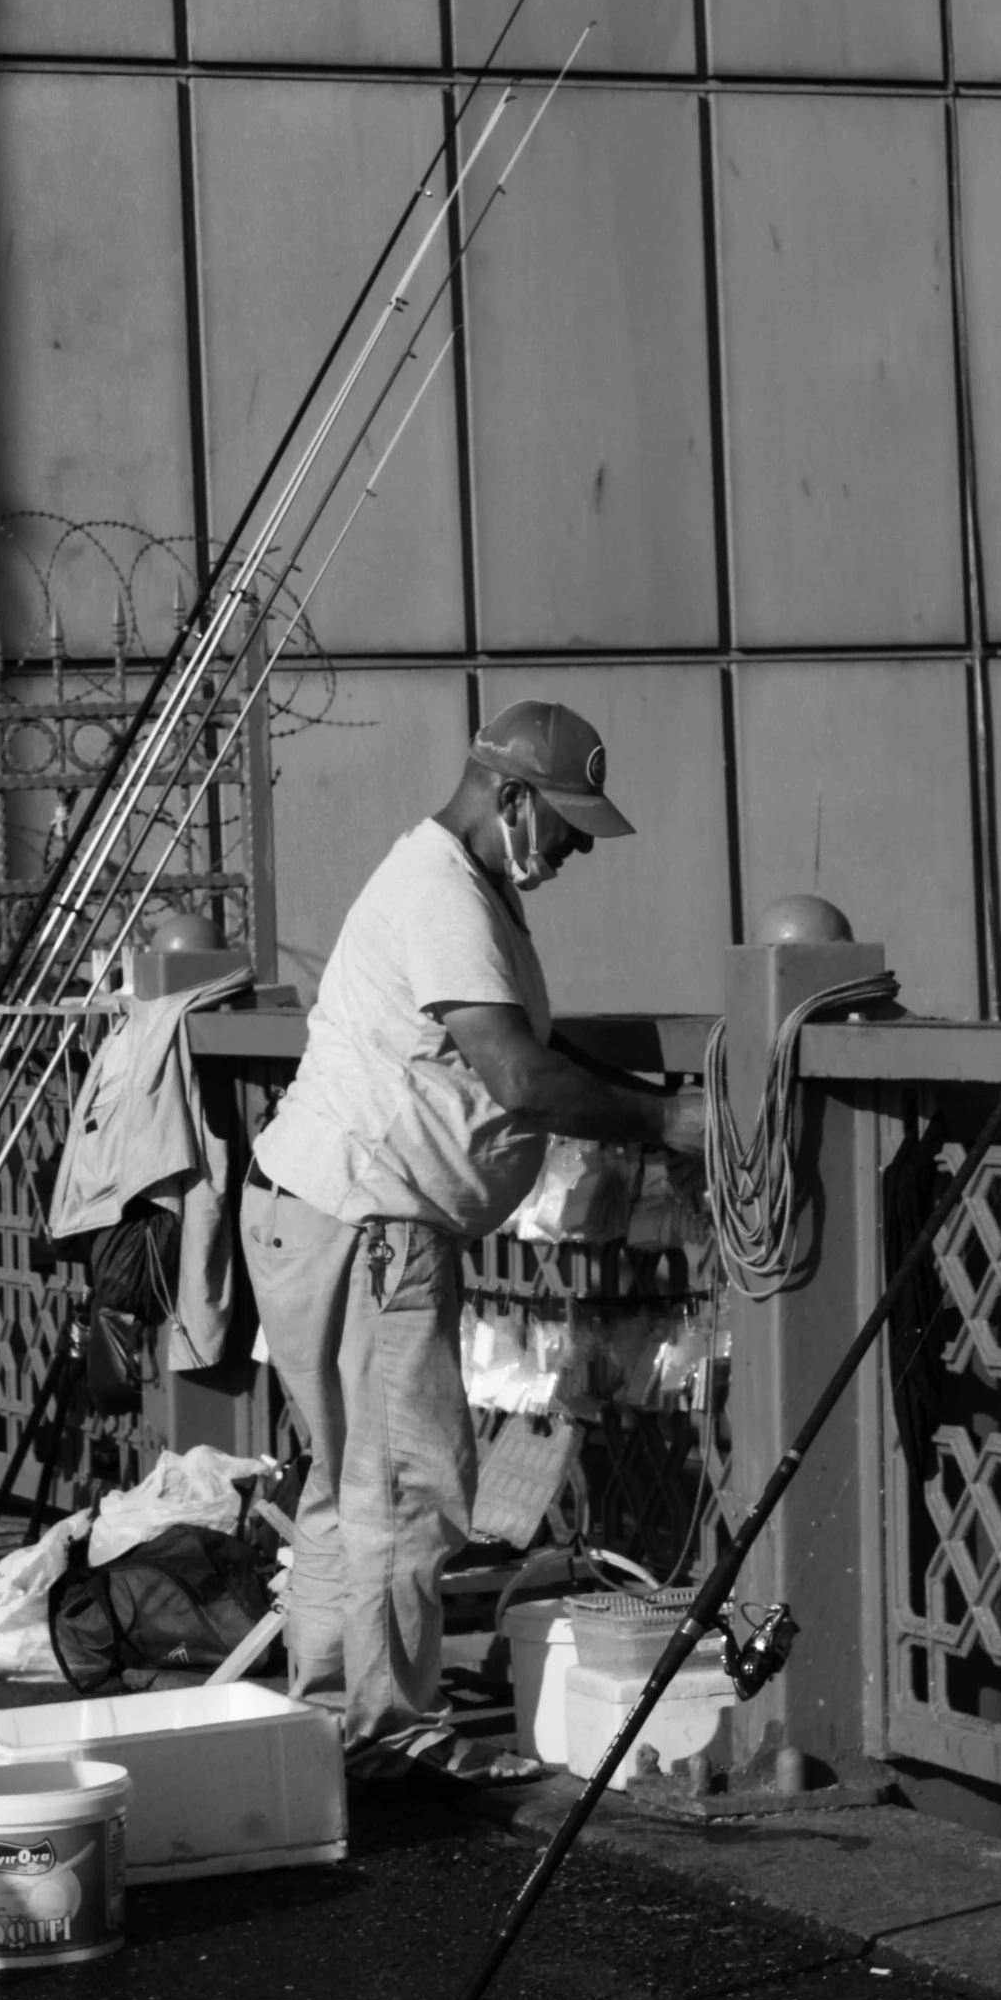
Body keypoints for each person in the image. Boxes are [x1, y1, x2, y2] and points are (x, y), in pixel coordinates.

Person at [240, 700, 704, 1783]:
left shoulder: (439, 877)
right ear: (512, 799)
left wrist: (630, 1093)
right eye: (569, 824)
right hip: (372, 1226)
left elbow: (517, 1052)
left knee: (342, 1486)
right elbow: (519, 1076)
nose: (578, 849)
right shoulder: (446, 891)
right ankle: (393, 1740)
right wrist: (669, 1121)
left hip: (310, 1206)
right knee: (406, 1487)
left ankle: (325, 1732)